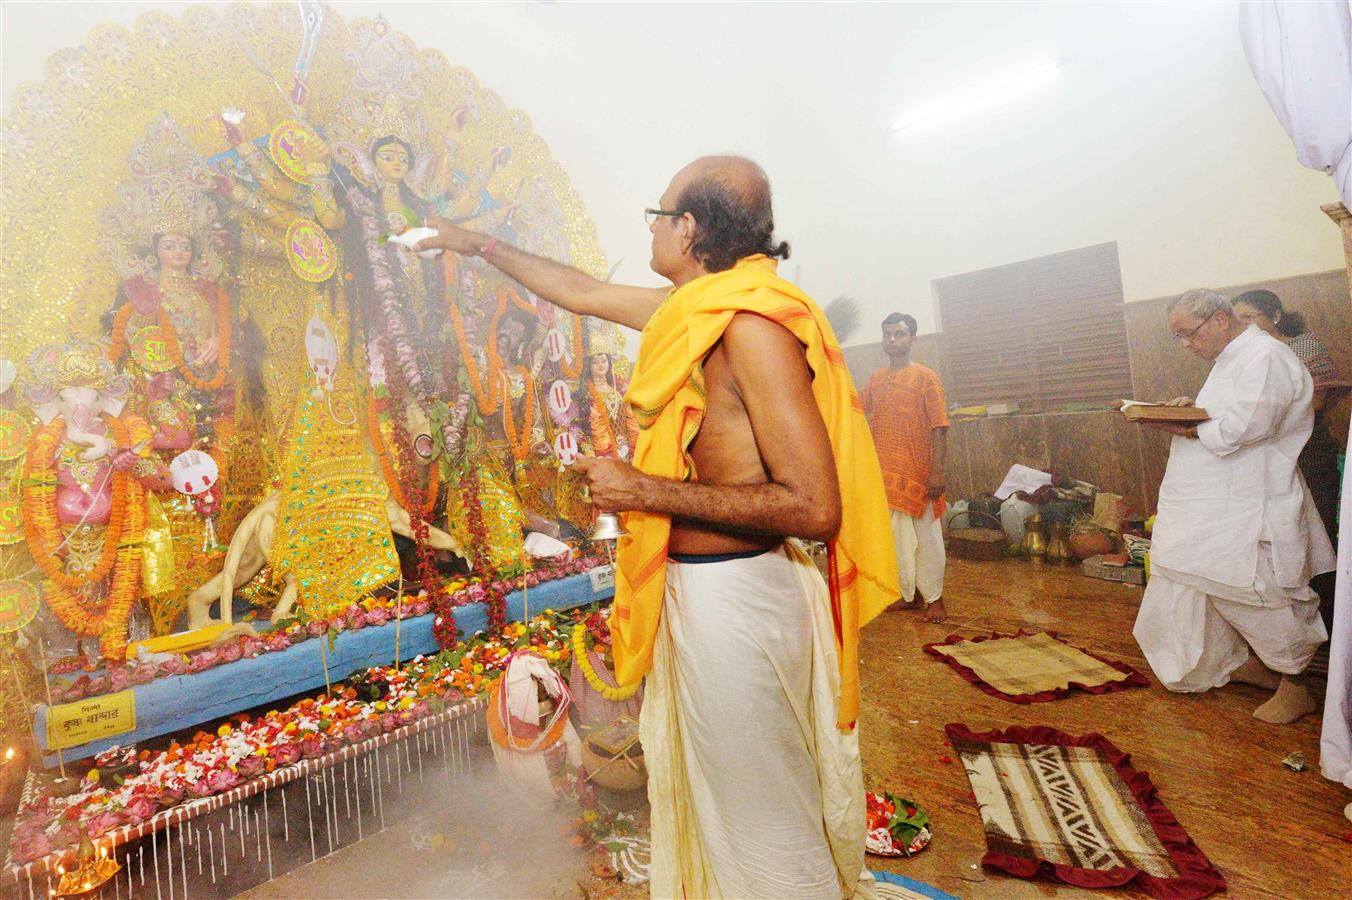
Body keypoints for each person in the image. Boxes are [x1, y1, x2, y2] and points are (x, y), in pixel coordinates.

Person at [417, 156, 896, 898]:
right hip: (706, 593)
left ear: (691, 228)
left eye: (659, 212)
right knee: (723, 803)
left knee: (760, 809)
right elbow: (579, 290)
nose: (651, 225)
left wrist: (647, 489)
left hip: (741, 599)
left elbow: (813, 506)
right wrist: (472, 243)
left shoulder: (749, 327)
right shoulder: (695, 315)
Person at [1130, 289, 1335, 724]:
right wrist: (1191, 411)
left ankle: (1295, 684)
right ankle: (1245, 665)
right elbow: (1223, 416)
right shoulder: (1230, 359)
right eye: (1178, 337)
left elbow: (1247, 429)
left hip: (1248, 501)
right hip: (1209, 502)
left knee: (1260, 589)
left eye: (1188, 334)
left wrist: (1181, 426)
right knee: (1189, 579)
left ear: (1220, 320)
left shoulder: (1266, 356)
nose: (1186, 344)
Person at [1232, 289, 1344, 626]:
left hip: (1308, 450)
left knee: (1318, 533)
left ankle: (1332, 623)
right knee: (1282, 537)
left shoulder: (1303, 346)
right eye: (1239, 321)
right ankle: (1296, 622)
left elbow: (1318, 402)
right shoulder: (1246, 357)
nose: (1245, 327)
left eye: (1250, 318)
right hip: (1269, 453)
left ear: (1276, 316)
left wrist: (1266, 408)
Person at [861, 313, 950, 623]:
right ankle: (906, 594)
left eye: (899, 334)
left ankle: (935, 599)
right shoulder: (876, 379)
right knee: (895, 541)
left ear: (913, 339)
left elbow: (940, 426)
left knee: (927, 539)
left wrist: (937, 472)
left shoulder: (926, 377)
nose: (892, 339)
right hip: (885, 476)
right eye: (887, 334)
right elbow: (855, 410)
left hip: (920, 474)